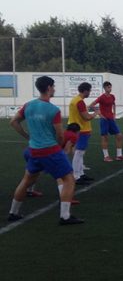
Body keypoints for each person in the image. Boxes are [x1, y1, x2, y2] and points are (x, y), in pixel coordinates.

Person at [7, 76, 83, 225]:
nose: (54, 89)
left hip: (33, 150)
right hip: (50, 150)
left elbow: (13, 121)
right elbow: (60, 135)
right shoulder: (53, 110)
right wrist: (59, 145)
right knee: (69, 178)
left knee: (26, 180)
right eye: (53, 86)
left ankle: (13, 213)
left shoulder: (28, 105)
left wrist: (27, 136)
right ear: (48, 88)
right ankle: (65, 216)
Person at [25, 123, 80, 200]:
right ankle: (64, 197)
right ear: (77, 131)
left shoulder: (64, 132)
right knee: (61, 175)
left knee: (33, 173)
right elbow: (66, 150)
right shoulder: (74, 136)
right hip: (48, 153)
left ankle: (29, 190)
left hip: (32, 150)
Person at [89, 81, 123, 162]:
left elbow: (114, 104)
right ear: (104, 88)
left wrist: (114, 114)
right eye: (108, 87)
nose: (110, 89)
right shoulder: (101, 97)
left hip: (111, 119)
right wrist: (99, 113)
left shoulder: (112, 96)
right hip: (104, 120)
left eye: (110, 87)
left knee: (119, 136)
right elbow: (91, 105)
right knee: (105, 137)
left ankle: (119, 155)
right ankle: (106, 156)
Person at [69, 82, 95, 185]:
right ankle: (76, 176)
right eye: (89, 91)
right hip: (81, 130)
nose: (90, 93)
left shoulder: (75, 100)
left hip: (77, 129)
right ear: (85, 91)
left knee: (80, 153)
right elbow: (86, 117)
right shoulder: (79, 102)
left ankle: (81, 173)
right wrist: (96, 113)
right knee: (79, 153)